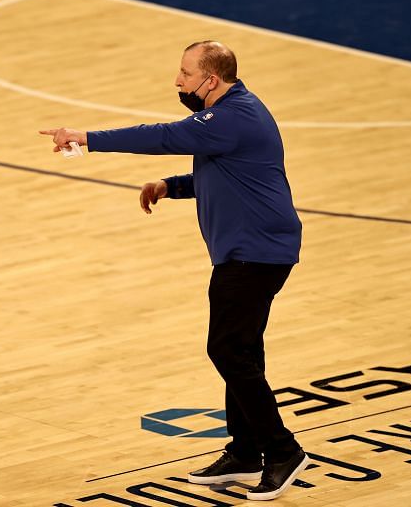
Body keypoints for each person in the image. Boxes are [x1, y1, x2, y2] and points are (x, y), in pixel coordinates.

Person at [40, 40, 308, 501]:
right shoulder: (231, 116)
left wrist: (87, 138)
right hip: (257, 249)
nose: (178, 81)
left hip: (254, 253)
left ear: (211, 80)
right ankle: (246, 451)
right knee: (242, 348)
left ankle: (282, 451)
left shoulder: (231, 116)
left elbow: (163, 135)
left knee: (227, 350)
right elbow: (225, 173)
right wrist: (172, 185)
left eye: (185, 74)